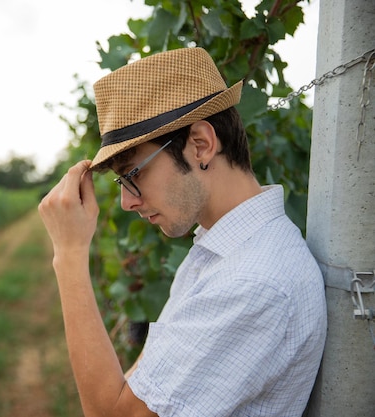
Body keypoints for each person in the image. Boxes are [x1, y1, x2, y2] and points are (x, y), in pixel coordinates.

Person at [38, 47, 327, 417]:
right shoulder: (221, 250)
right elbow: (138, 387)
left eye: (134, 173)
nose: (127, 202)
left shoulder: (253, 282)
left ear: (201, 144)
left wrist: (70, 255)